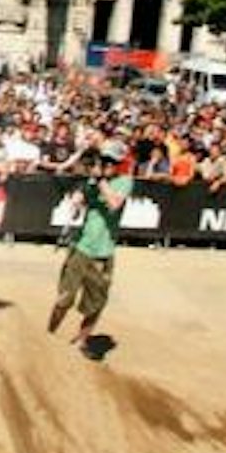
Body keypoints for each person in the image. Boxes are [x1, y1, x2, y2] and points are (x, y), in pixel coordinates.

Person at [47, 144, 134, 352]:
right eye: (105, 161)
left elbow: (114, 204)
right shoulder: (91, 183)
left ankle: (81, 341)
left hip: (103, 253)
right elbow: (78, 208)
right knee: (64, 299)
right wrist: (77, 203)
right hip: (82, 247)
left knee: (96, 303)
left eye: (112, 162)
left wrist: (99, 180)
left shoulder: (124, 182)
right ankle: (47, 337)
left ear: (119, 164)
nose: (107, 165)